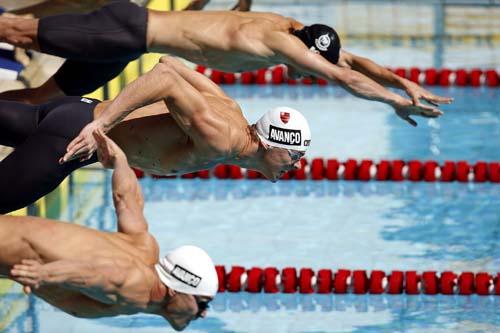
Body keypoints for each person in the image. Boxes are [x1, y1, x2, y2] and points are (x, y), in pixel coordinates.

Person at [0, 1, 449, 125]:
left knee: (43, 98)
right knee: (16, 31)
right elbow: (341, 74)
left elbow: (352, 60)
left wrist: (404, 81)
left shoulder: (297, 31)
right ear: (307, 53)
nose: (305, 73)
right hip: (127, 29)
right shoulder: (284, 45)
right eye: (310, 66)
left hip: (127, 45)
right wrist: (392, 102)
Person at [0, 55, 310, 213]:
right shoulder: (221, 139)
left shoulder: (231, 107)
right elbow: (165, 77)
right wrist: (104, 125)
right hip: (73, 137)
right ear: (271, 144)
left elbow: (170, 63)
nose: (296, 165)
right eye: (295, 155)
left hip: (76, 112)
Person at [1, 129, 218, 331]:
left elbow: (127, 201)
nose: (204, 314)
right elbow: (97, 273)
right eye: (202, 304)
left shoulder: (145, 249)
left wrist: (121, 162)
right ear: (174, 289)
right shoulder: (137, 288)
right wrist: (44, 273)